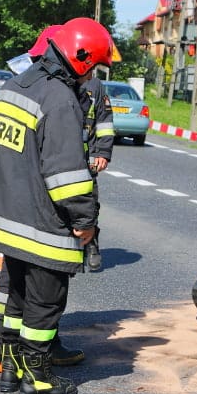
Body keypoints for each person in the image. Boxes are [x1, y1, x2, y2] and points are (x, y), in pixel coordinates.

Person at [0, 17, 113, 394]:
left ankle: (11, 368)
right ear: (80, 57)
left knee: (17, 297)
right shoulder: (59, 98)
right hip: (40, 221)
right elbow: (66, 175)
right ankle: (38, 379)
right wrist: (85, 221)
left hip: (7, 213)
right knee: (45, 302)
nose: (93, 73)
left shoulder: (18, 84)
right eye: (93, 65)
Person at [80, 75, 114, 271]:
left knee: (89, 203)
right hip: (62, 154)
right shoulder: (58, 81)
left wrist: (102, 152)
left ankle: (91, 244)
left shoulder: (95, 86)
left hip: (88, 157)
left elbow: (104, 120)